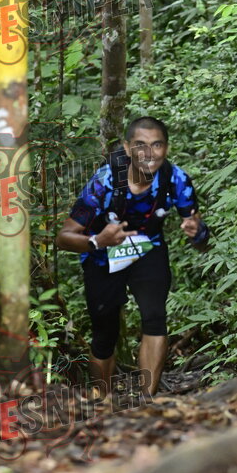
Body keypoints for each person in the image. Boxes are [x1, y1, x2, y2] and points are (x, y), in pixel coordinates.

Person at [56, 116, 209, 397]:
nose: (149, 153)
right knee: (105, 333)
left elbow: (200, 239)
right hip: (102, 256)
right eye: (140, 145)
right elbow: (64, 237)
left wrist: (197, 232)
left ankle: (146, 400)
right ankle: (101, 401)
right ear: (127, 148)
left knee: (155, 317)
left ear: (167, 148)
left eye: (157, 145)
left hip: (148, 250)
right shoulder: (104, 182)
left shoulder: (176, 179)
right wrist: (98, 240)